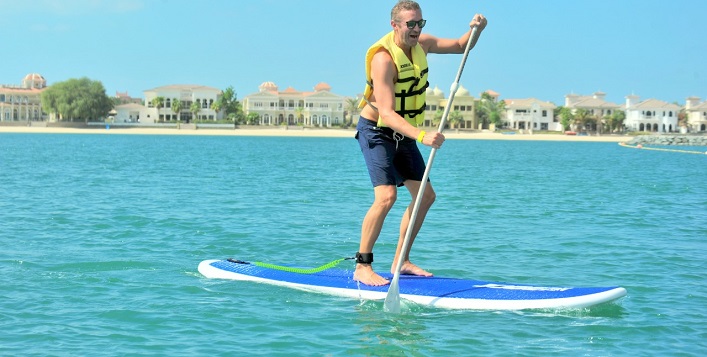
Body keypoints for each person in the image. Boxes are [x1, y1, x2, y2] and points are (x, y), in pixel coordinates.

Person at [353, 0, 487, 286]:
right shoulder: (383, 59)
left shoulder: (422, 45)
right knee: (387, 197)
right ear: (395, 25)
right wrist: (423, 135)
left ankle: (401, 260)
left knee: (425, 196)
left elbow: (462, 45)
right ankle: (362, 265)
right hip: (377, 130)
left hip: (404, 132)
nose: (416, 29)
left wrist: (477, 29)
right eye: (410, 24)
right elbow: (387, 113)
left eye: (420, 23)